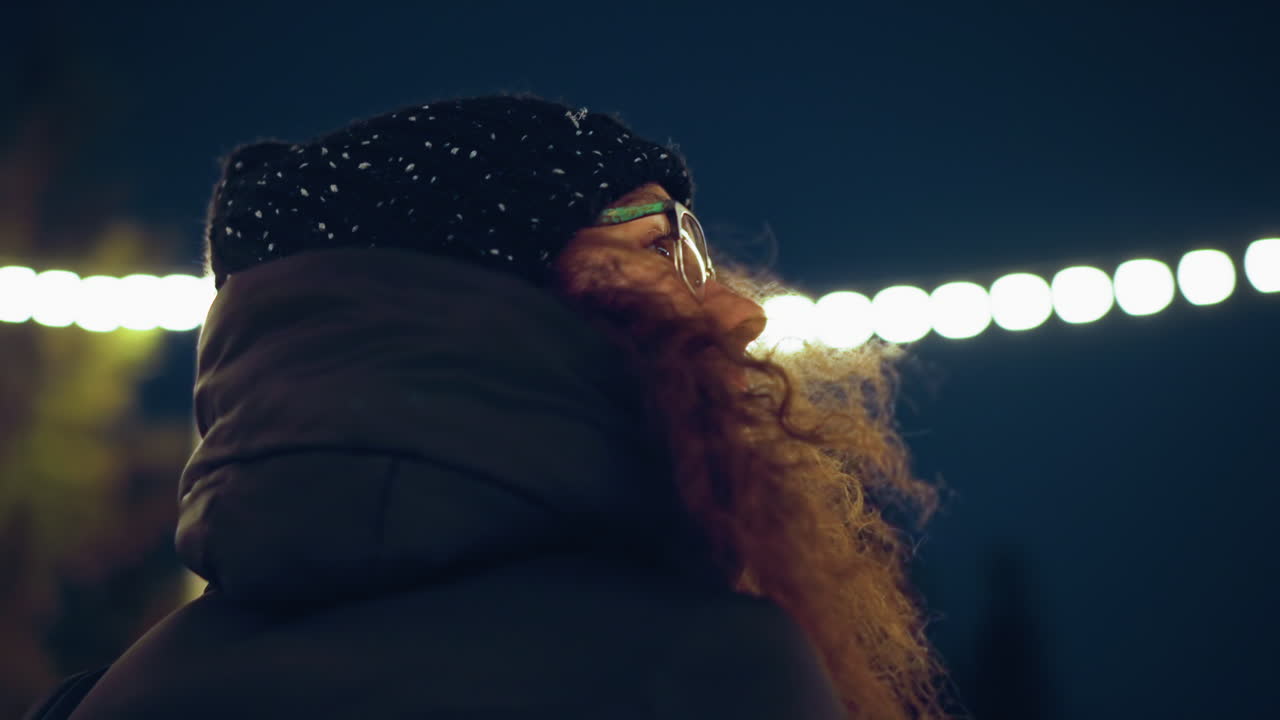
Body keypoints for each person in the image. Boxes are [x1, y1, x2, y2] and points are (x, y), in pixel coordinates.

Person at [26, 95, 950, 719]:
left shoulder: (102, 700)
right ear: (480, 303)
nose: (739, 311)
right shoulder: (702, 672)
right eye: (661, 248)